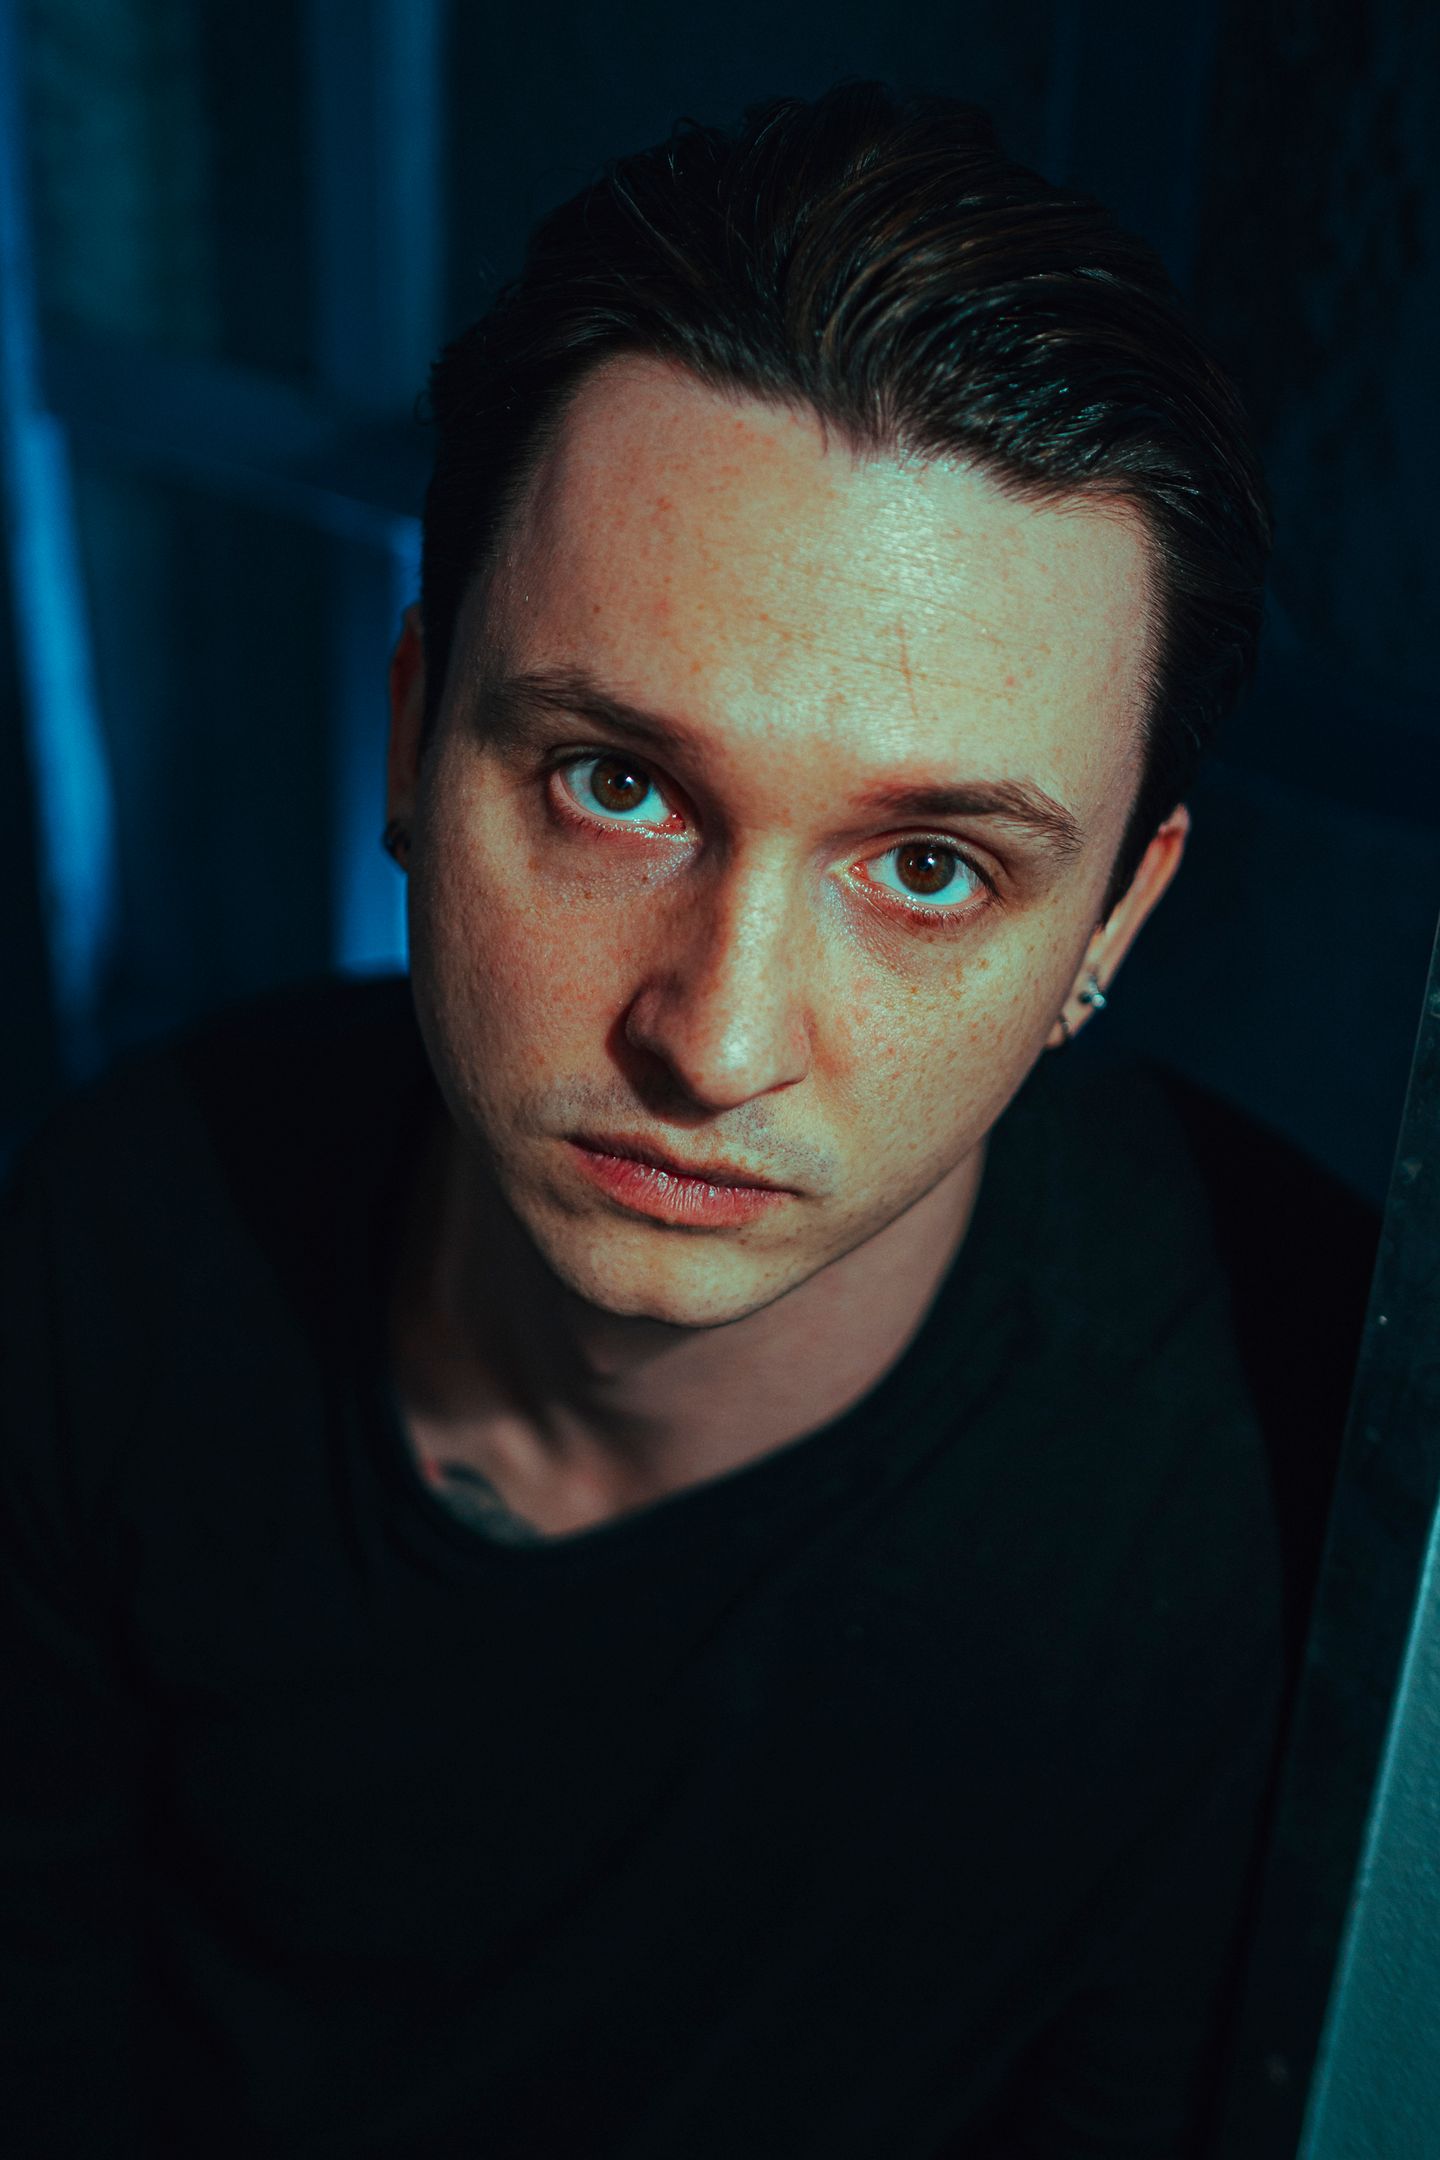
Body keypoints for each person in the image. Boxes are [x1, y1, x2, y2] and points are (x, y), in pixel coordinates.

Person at [0, 80, 1376, 2159]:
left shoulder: (1296, 1486)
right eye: (618, 786)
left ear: (1115, 921)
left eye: (931, 869)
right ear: (412, 732)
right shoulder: (127, 1238)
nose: (716, 1043)